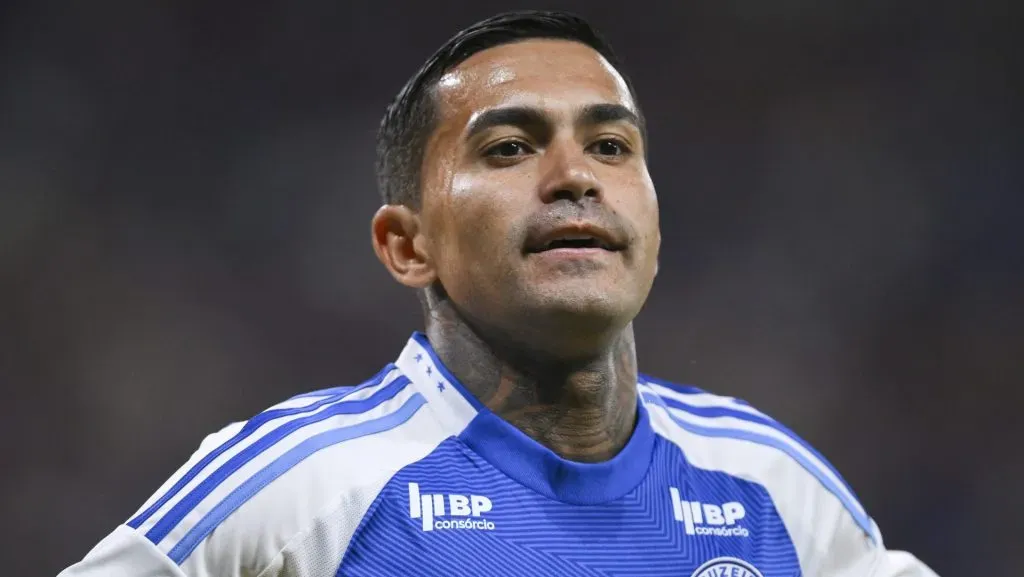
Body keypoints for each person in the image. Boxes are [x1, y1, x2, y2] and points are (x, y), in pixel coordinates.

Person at [59, 10, 939, 577]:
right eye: (510, 148)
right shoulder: (303, 485)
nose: (574, 178)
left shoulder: (771, 486)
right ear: (408, 245)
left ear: (655, 229)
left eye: (610, 146)